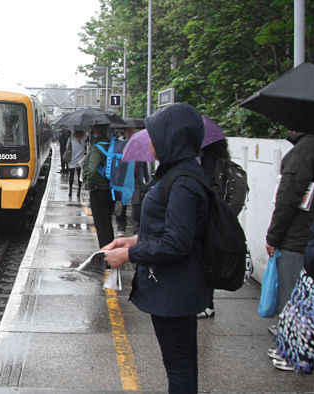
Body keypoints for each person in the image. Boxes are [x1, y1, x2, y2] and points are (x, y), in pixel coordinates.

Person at [102, 103, 211, 393]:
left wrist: (127, 254)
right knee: (181, 364)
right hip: (174, 289)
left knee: (179, 369)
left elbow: (176, 243)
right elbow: (169, 230)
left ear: (171, 138)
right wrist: (132, 241)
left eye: (155, 135)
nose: (150, 142)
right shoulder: (177, 173)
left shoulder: (183, 181)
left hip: (175, 291)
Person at [265, 130, 314, 336]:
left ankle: (289, 341)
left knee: (290, 294)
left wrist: (273, 237)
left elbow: (287, 199)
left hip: (296, 237)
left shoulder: (302, 153)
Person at [196, 138, 231, 319]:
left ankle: (206, 304)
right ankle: (207, 302)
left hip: (209, 216)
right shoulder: (222, 160)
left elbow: (204, 187)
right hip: (220, 215)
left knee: (204, 259)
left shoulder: (208, 161)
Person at [83, 124, 115, 248]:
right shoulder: (112, 144)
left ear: (95, 131)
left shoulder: (97, 148)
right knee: (108, 223)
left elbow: (92, 170)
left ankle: (105, 255)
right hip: (111, 189)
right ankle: (111, 250)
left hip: (99, 190)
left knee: (100, 225)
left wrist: (90, 185)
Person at [67, 129, 87, 198]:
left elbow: (67, 148)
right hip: (80, 161)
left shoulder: (71, 139)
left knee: (71, 176)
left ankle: (70, 190)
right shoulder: (84, 139)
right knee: (79, 177)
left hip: (71, 160)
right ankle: (78, 191)